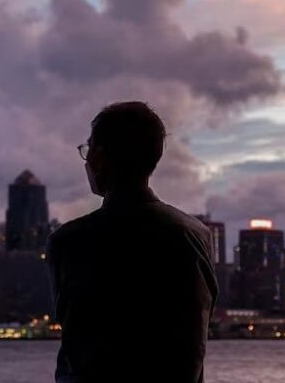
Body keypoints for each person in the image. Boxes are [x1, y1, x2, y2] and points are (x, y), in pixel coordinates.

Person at [46, 102, 219, 383]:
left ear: (99, 157)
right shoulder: (196, 235)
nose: (86, 160)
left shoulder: (69, 241)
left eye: (88, 149)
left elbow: (75, 335)